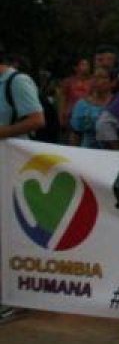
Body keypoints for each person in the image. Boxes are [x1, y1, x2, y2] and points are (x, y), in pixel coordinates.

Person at [0, 45, 46, 323]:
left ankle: (17, 296)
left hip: (11, 164)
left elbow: (36, 119)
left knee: (10, 230)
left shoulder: (16, 82)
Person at [68, 67, 116, 148]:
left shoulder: (118, 103)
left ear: (112, 82)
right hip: (87, 153)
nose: (96, 80)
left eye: (102, 77)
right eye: (94, 77)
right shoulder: (82, 105)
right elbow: (75, 135)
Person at [59, 57, 91, 121]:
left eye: (87, 65)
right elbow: (62, 99)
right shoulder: (68, 82)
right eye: (83, 64)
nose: (86, 67)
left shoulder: (92, 82)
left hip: (86, 116)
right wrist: (61, 116)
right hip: (70, 115)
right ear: (76, 68)